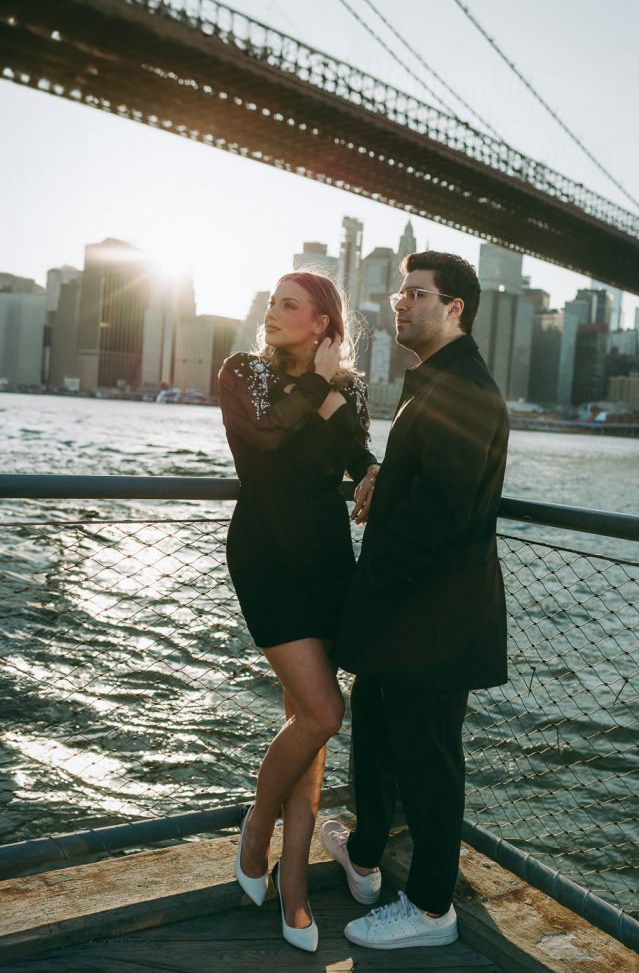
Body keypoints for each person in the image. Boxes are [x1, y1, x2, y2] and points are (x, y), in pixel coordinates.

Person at [322, 250, 509, 950]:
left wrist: (365, 599)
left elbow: (440, 514)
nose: (400, 302)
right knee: (374, 737)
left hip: (435, 620)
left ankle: (432, 908)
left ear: (454, 307)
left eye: (417, 293)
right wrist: (380, 474)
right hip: (406, 616)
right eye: (401, 291)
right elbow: (418, 480)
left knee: (430, 763)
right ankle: (365, 857)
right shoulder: (431, 379)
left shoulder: (464, 388)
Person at [218, 271, 380, 953]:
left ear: (322, 323)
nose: (273, 311)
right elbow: (270, 441)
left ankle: (294, 886)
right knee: (323, 714)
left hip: (325, 565)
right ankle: (257, 832)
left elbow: (353, 453)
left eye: (291, 304)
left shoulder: (351, 389)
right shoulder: (242, 372)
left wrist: (375, 470)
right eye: (272, 302)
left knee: (305, 724)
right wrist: (323, 382)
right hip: (266, 559)